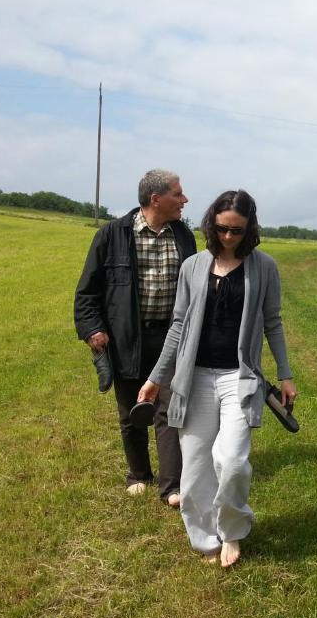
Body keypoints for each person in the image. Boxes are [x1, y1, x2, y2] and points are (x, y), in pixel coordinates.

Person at [138, 189, 297, 568]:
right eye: (223, 230)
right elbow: (178, 326)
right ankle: (206, 538)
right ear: (212, 225)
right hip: (193, 379)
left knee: (232, 460)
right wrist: (156, 378)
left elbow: (273, 322)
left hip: (239, 378)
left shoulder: (265, 267)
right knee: (194, 471)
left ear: (250, 229)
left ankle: (234, 529)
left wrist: (286, 375)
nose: (229, 238)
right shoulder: (192, 266)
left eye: (237, 231)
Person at [74, 170, 195, 505]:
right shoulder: (112, 235)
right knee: (132, 410)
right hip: (126, 338)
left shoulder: (184, 236)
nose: (184, 200)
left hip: (172, 338)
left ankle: (172, 486)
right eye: (178, 194)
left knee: (170, 408)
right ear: (156, 199)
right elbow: (87, 291)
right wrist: (92, 328)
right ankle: (138, 474)